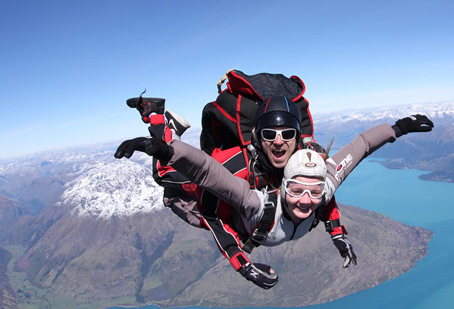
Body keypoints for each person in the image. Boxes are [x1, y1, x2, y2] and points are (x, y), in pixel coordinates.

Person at [115, 113, 434, 289]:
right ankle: (160, 122)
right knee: (167, 183)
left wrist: (399, 127)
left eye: (313, 192)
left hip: (251, 220)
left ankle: (165, 134)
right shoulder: (254, 203)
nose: (306, 202)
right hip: (212, 203)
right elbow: (206, 172)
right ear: (282, 189)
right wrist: (242, 265)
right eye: (296, 191)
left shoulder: (324, 188)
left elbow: (361, 146)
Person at [127, 94, 353, 268]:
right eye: (269, 134)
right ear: (258, 136)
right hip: (213, 178)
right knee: (163, 174)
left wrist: (336, 231)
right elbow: (210, 210)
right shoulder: (238, 164)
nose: (278, 142)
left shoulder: (310, 157)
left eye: (286, 134)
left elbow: (320, 192)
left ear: (296, 135)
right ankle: (156, 116)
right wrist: (240, 261)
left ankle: (167, 127)